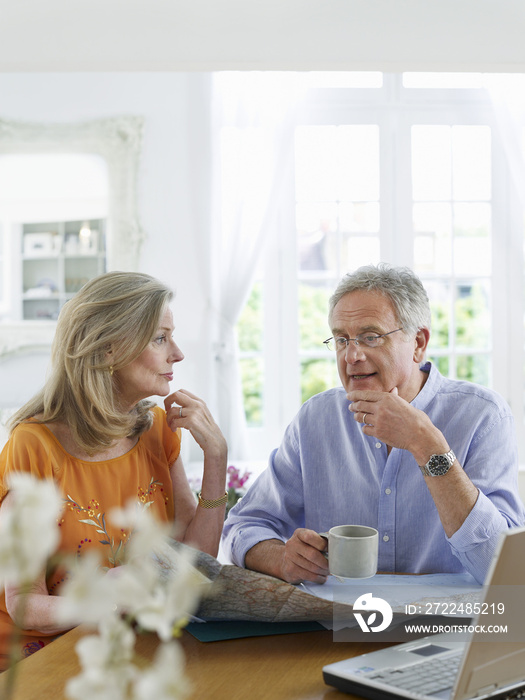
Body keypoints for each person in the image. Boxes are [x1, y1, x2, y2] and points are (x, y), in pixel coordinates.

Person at [222, 263, 525, 586]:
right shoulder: (316, 419)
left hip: (448, 628)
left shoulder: (483, 417)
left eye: (370, 337)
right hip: (336, 628)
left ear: (419, 343)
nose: (351, 356)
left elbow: (506, 571)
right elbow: (243, 525)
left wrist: (427, 445)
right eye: (341, 339)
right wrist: (282, 558)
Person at [0, 271, 228, 668]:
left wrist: (216, 459)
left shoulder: (158, 428)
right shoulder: (34, 446)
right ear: (108, 350)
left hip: (128, 644)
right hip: (42, 660)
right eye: (161, 338)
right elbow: (22, 604)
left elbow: (194, 562)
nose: (177, 353)